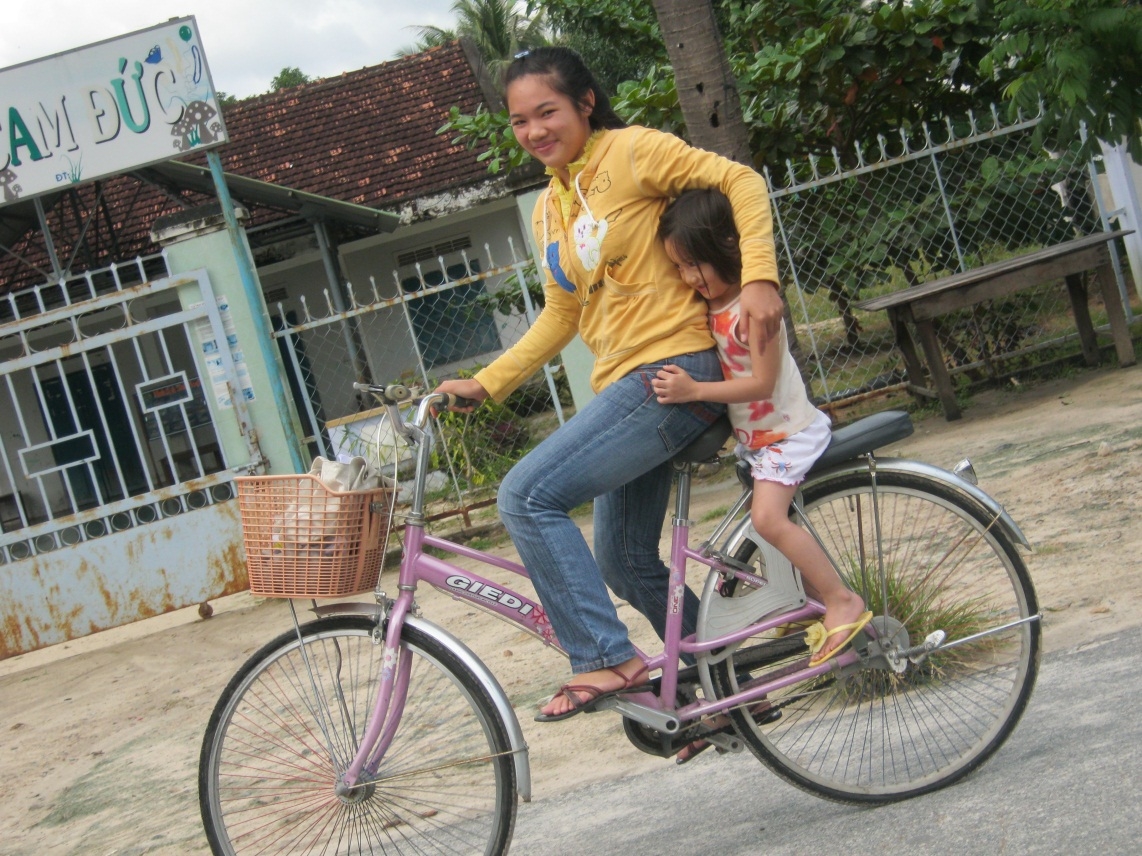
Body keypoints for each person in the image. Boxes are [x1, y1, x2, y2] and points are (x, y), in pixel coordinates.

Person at [435, 46, 785, 723]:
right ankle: (722, 694)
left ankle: (605, 655)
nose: (534, 132)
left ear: (584, 104)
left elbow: (741, 180)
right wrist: (486, 382)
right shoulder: (547, 208)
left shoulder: (632, 153)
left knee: (527, 495)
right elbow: (562, 314)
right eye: (518, 122)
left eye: (547, 113)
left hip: (678, 370)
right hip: (630, 388)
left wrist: (761, 279)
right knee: (624, 561)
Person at [653, 187, 873, 669]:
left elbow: (762, 382)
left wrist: (694, 391)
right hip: (760, 442)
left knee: (769, 520)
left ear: (727, 249)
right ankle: (805, 600)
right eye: (679, 269)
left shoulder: (754, 310)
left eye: (696, 264)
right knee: (767, 524)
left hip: (790, 433)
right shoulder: (708, 308)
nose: (690, 277)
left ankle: (841, 600)